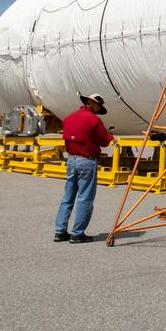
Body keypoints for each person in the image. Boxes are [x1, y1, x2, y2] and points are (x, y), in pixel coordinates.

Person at [54, 92, 113, 244]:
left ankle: (60, 231)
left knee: (68, 197)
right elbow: (103, 140)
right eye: (99, 106)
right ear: (94, 104)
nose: (99, 109)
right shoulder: (94, 119)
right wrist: (110, 136)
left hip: (71, 160)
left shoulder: (69, 117)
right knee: (85, 198)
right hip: (86, 160)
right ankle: (77, 233)